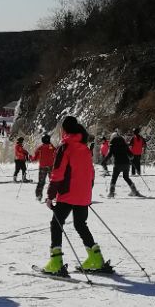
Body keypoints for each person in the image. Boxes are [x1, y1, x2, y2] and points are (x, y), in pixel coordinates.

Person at [42, 116, 106, 274]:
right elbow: (91, 172)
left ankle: (56, 262)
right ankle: (96, 258)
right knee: (80, 224)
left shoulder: (65, 146)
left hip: (67, 193)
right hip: (83, 194)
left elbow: (57, 173)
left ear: (64, 130)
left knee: (56, 224)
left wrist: (50, 195)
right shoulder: (84, 147)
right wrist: (86, 191)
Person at [107, 130, 140, 197]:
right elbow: (131, 155)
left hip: (118, 164)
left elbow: (109, 155)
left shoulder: (113, 146)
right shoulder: (124, 145)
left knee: (114, 178)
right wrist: (130, 158)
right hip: (126, 164)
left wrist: (104, 162)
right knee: (126, 177)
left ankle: (111, 192)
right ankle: (134, 190)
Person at [32, 133, 57, 200]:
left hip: (42, 166)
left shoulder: (40, 148)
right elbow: (56, 154)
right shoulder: (52, 147)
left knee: (41, 181)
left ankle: (38, 195)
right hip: (51, 166)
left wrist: (31, 158)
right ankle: (54, 196)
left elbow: (35, 158)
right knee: (52, 181)